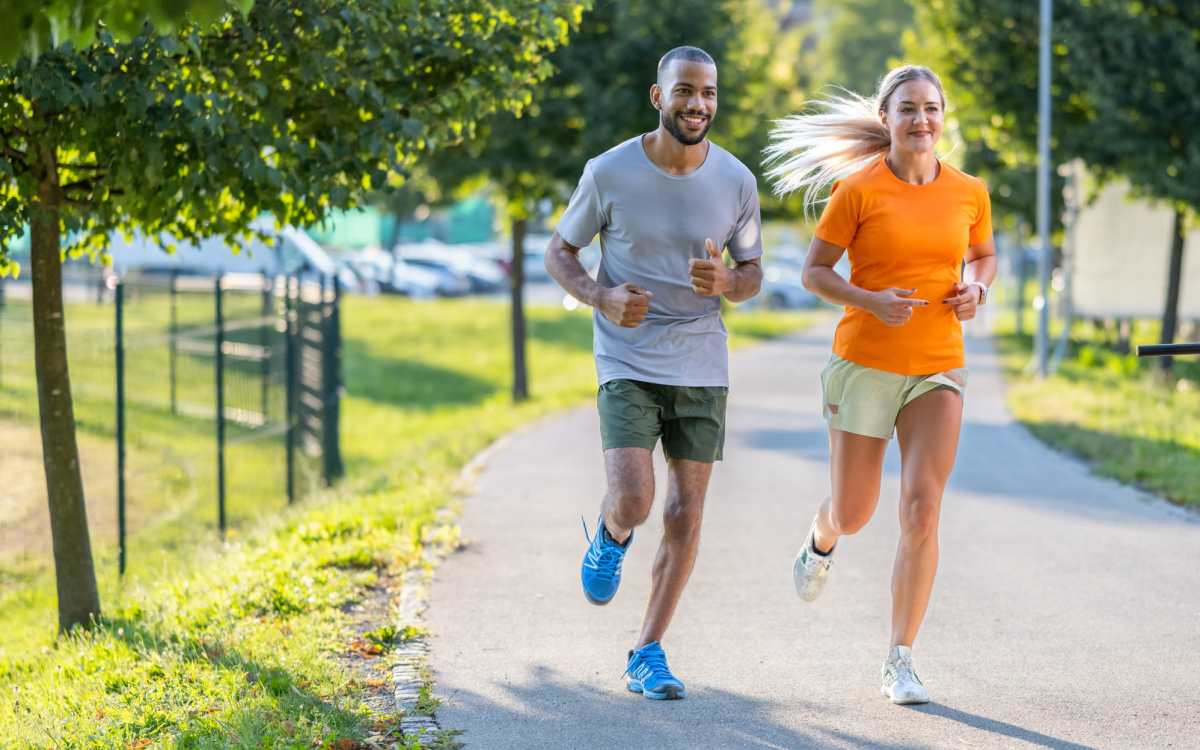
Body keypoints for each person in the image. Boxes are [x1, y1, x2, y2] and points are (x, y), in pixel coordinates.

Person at [764, 64, 997, 704]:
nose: (922, 120)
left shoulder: (969, 191)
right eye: (908, 109)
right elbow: (814, 272)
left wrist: (977, 286)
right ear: (886, 118)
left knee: (922, 509)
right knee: (856, 512)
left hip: (937, 364)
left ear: (943, 116)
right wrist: (868, 298)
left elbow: (983, 254)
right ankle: (822, 537)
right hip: (865, 362)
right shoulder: (858, 190)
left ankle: (900, 659)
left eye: (931, 108)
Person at [544, 45, 763, 701]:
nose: (699, 104)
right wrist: (599, 296)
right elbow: (560, 250)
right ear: (657, 96)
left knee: (685, 512)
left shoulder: (736, 181)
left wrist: (728, 279)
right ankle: (612, 533)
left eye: (710, 93)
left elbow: (753, 275)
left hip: (701, 356)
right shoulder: (609, 172)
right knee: (637, 499)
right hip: (628, 354)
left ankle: (647, 650)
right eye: (686, 91)